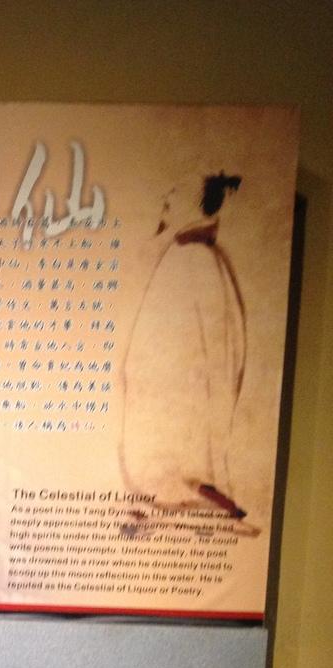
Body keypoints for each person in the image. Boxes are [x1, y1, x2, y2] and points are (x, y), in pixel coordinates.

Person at [119, 171, 256, 531]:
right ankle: (174, 488)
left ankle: (197, 485)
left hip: (185, 383)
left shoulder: (196, 262)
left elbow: (212, 351)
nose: (165, 204)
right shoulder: (191, 259)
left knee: (186, 414)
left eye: (173, 196)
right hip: (169, 381)